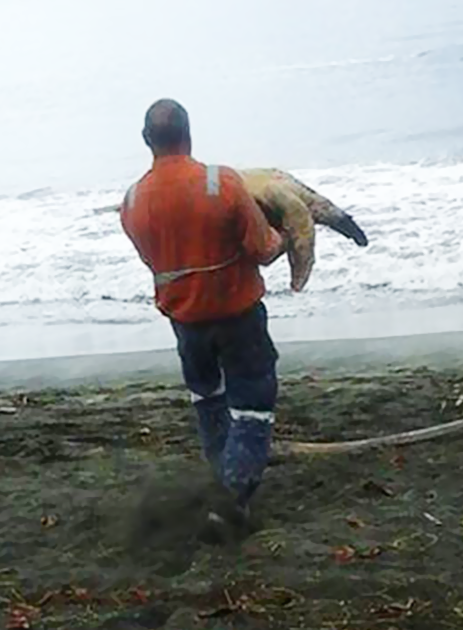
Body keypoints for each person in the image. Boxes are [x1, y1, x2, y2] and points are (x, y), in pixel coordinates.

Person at [120, 98, 285, 528]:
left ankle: (221, 483)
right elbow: (263, 250)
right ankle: (230, 499)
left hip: (186, 325)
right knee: (252, 402)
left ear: (146, 140)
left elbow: (154, 260)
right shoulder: (222, 184)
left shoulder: (131, 201)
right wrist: (284, 235)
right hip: (238, 317)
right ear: (189, 134)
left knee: (208, 399)